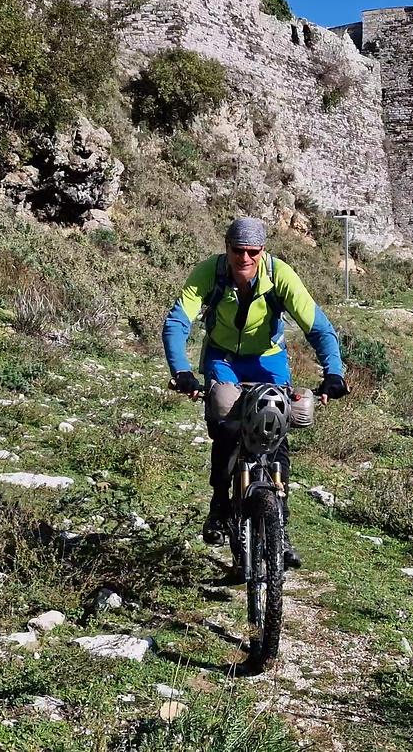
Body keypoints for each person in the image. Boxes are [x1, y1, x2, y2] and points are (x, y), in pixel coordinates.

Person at [162, 217, 350, 569]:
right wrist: (182, 371)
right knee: (226, 424)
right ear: (227, 247)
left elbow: (318, 327)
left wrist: (334, 373)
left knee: (276, 433)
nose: (245, 258)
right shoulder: (209, 273)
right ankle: (220, 502)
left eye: (253, 251)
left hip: (268, 359)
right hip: (223, 358)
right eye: (238, 250)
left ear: (263, 250)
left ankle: (281, 527)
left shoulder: (280, 275)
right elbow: (177, 322)